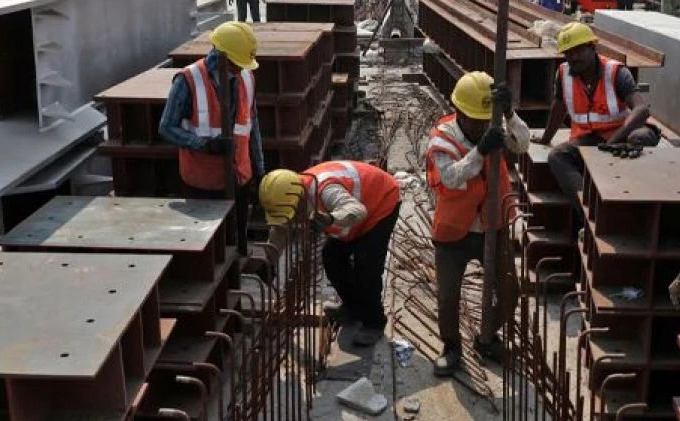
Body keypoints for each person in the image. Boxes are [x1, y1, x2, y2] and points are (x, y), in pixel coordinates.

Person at [427, 71, 529, 376]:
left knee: (510, 290)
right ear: (458, 112)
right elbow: (451, 177)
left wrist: (510, 115)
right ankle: (451, 346)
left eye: (486, 119)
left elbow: (522, 145)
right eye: (474, 120)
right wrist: (480, 150)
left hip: (492, 225)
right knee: (448, 296)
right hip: (454, 231)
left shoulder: (493, 125)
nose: (481, 126)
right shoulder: (441, 139)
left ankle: (486, 337)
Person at [259, 161, 401, 346]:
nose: (293, 218)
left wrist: (330, 218)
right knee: (331, 256)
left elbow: (357, 210)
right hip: (357, 211)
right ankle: (352, 307)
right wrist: (269, 259)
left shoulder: (325, 189)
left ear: (299, 198)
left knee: (366, 266)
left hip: (381, 202)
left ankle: (374, 323)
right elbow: (280, 228)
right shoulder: (290, 192)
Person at [158, 21, 264, 253]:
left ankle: (240, 272)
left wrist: (259, 171)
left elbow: (252, 126)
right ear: (223, 56)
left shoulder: (247, 78)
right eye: (237, 63)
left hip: (239, 178)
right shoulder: (189, 80)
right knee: (211, 248)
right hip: (203, 183)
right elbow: (166, 127)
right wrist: (204, 145)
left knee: (238, 242)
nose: (240, 68)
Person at [537, 22, 656, 201]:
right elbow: (558, 108)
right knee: (557, 156)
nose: (574, 57)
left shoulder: (615, 72)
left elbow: (641, 109)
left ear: (592, 48)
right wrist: (545, 139)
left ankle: (634, 192)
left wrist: (614, 141)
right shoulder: (563, 74)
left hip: (623, 134)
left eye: (578, 51)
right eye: (568, 53)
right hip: (591, 140)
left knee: (640, 138)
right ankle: (589, 209)